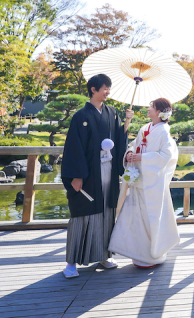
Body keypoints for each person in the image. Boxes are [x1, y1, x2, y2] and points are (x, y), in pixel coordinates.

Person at [61, 74, 133, 279]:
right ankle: (71, 263)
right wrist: (76, 175)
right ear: (93, 89)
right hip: (88, 172)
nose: (108, 92)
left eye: (109, 88)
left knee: (106, 212)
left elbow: (118, 139)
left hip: (109, 169)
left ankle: (104, 255)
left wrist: (126, 124)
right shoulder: (81, 116)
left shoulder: (112, 112)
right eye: (105, 88)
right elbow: (74, 147)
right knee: (82, 214)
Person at [108, 97, 180, 268]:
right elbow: (134, 144)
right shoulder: (145, 128)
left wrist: (142, 157)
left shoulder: (164, 131)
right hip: (139, 177)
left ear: (160, 112)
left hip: (153, 183)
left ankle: (153, 254)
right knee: (136, 216)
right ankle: (139, 253)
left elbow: (167, 156)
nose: (148, 109)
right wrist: (129, 154)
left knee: (151, 217)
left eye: (152, 107)